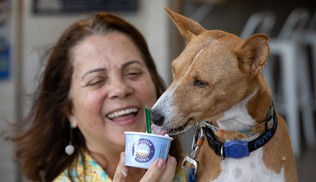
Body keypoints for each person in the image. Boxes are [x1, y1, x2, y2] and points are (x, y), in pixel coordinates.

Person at [6, 12, 186, 181]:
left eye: (133, 72)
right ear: (69, 111)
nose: (120, 89)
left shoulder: (201, 172)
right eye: (96, 81)